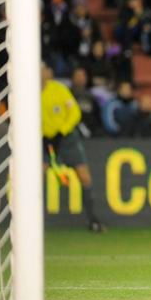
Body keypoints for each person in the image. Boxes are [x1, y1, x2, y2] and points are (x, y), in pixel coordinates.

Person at [41, 63, 105, 232]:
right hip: (43, 141)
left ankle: (93, 220)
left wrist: (61, 132)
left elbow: (75, 113)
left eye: (45, 69)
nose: (44, 73)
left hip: (66, 138)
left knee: (84, 176)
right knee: (36, 177)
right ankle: (32, 219)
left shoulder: (59, 89)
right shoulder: (29, 93)